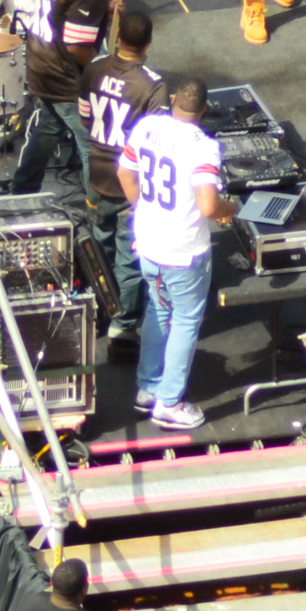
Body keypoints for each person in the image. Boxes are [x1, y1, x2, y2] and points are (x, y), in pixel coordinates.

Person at [123, 74, 228, 432]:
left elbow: (126, 174)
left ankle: (148, 388)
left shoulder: (147, 127)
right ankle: (169, 403)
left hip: (149, 242)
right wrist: (230, 210)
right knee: (185, 320)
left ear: (172, 103)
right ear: (205, 110)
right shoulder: (203, 146)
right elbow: (208, 204)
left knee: (158, 309)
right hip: (183, 252)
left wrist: (144, 210)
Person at [79, 4, 166, 348]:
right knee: (128, 258)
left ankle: (97, 308)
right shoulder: (152, 86)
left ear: (117, 37)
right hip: (131, 184)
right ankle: (124, 326)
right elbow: (154, 142)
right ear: (149, 43)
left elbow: (86, 118)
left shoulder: (94, 69)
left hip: (97, 175)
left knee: (98, 246)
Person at [11, 0, 114, 199]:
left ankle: (21, 189)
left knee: (48, 127)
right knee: (90, 143)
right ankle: (97, 206)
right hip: (63, 76)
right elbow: (77, 47)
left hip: (39, 64)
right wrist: (103, 69)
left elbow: (61, 13)